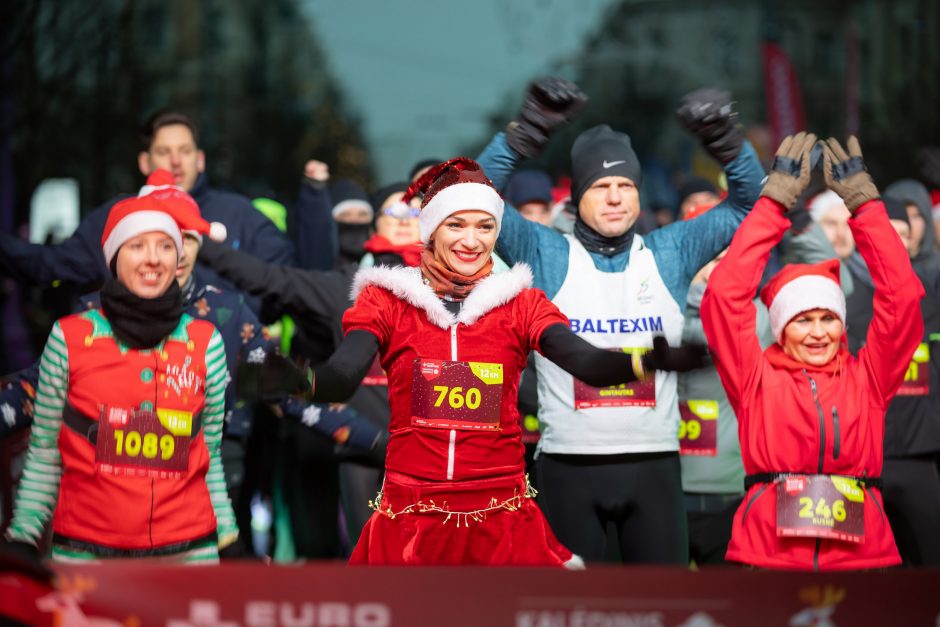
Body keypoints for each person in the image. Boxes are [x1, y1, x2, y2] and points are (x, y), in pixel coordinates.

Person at [246, 157, 705, 566]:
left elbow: (584, 360)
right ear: (431, 229)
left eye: (485, 227)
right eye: (456, 225)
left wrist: (646, 362)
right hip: (411, 522)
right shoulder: (387, 300)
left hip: (500, 524)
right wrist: (301, 379)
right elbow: (343, 376)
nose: (471, 240)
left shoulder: (519, 303)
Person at [477, 83, 765, 564]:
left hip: (653, 466)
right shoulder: (547, 252)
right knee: (570, 614)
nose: (615, 198)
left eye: (626, 186)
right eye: (600, 187)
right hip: (567, 467)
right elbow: (471, 200)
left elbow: (750, 205)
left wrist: (725, 141)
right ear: (577, 195)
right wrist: (525, 134)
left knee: (663, 607)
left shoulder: (668, 252)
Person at [701, 133, 924, 570]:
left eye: (829, 318)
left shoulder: (869, 378)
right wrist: (773, 205)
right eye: (803, 320)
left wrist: (865, 207)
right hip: (768, 557)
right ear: (781, 329)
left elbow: (903, 298)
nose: (818, 332)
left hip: (863, 559)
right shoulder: (754, 378)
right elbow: (724, 297)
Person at [2, 189, 239, 563]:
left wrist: (227, 536)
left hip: (189, 556)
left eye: (165, 246)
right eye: (137, 245)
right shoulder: (70, 338)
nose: (153, 259)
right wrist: (24, 535)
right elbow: (45, 452)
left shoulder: (205, 341)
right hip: (86, 558)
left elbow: (208, 455)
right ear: (114, 256)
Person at [0, 111, 295, 317]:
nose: (176, 161)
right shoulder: (118, 218)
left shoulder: (238, 214)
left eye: (186, 151)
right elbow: (49, 265)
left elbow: (290, 281)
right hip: (130, 387)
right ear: (145, 162)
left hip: (222, 383)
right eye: (164, 152)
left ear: (201, 160)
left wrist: (245, 320)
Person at [846, 181, 940, 567]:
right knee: (863, 577)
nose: (895, 243)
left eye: (902, 234)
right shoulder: (843, 304)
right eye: (887, 234)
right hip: (864, 466)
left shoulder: (932, 298)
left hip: (922, 457)